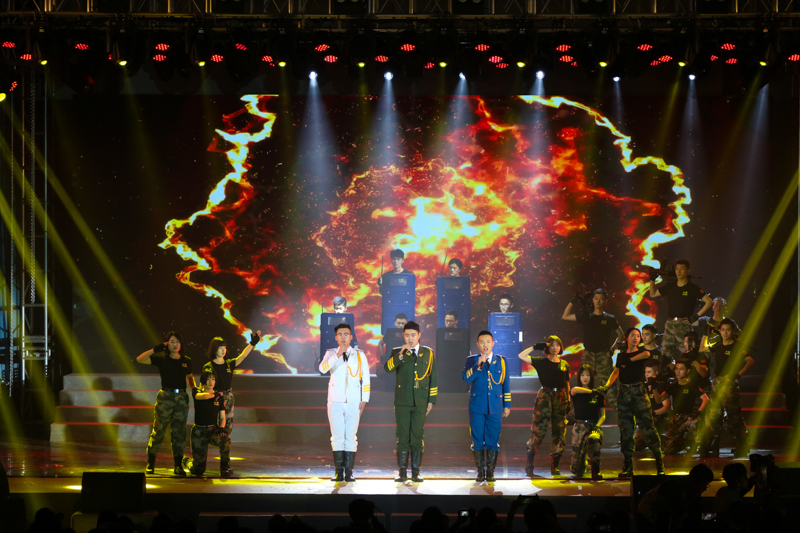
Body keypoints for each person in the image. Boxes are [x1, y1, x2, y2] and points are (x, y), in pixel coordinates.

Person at [599, 327, 664, 477]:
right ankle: (628, 466)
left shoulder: (642, 352)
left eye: (638, 336)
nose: (636, 338)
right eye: (633, 335)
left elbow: (647, 354)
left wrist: (629, 361)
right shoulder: (621, 356)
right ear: (627, 337)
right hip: (624, 393)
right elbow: (616, 372)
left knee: (648, 428)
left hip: (638, 392)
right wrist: (607, 386)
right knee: (626, 430)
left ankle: (659, 463)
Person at [383, 321, 438, 482]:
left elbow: (433, 377)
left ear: (419, 335)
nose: (410, 338)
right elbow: (387, 369)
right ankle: (402, 472)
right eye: (407, 335)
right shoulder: (397, 352)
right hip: (403, 401)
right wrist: (401, 354)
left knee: (417, 437)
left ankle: (415, 472)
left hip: (420, 401)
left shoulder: (428, 353)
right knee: (402, 437)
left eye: (413, 335)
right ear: (403, 336)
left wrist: (431, 400)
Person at [201, 330, 260, 477]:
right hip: (214, 399)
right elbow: (204, 385)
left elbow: (243, 356)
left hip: (227, 399)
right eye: (220, 347)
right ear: (214, 349)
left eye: (224, 347)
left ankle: (224, 465)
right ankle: (199, 463)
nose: (223, 350)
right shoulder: (208, 366)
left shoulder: (229, 364)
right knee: (209, 430)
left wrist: (252, 343)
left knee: (226, 433)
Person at [318, 323, 371, 482]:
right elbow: (322, 369)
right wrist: (337, 355)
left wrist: (364, 399)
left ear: (351, 337)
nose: (343, 337)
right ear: (336, 337)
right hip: (335, 400)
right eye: (340, 334)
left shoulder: (359, 355)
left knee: (351, 436)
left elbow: (366, 378)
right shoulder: (330, 353)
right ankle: (338, 472)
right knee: (337, 436)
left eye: (346, 334)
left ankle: (349, 472)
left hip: (353, 400)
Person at [136, 332, 194, 476]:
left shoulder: (186, 360)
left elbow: (190, 377)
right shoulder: (162, 359)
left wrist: (194, 389)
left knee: (179, 432)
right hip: (165, 397)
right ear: (167, 344)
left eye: (178, 341)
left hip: (181, 397)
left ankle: (178, 465)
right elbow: (140, 359)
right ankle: (151, 463)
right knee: (159, 431)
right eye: (172, 341)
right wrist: (156, 349)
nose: (175, 344)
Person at [700, 319, 755, 457]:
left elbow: (750, 361)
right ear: (720, 331)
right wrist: (705, 334)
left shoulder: (737, 346)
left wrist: (737, 375)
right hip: (716, 382)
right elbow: (702, 349)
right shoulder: (718, 345)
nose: (725, 333)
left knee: (734, 415)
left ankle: (743, 444)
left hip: (728, 383)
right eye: (723, 330)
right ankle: (715, 442)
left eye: (728, 330)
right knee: (715, 414)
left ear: (733, 331)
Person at [562, 289, 624, 409]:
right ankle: (581, 412)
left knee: (610, 386)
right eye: (596, 298)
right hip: (588, 355)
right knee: (584, 385)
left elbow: (620, 334)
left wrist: (612, 349)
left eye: (601, 299)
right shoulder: (587, 316)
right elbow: (565, 316)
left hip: (603, 355)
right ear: (593, 300)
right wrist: (572, 302)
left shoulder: (610, 318)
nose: (598, 301)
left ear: (605, 301)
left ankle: (620, 412)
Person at [462, 330, 511, 482]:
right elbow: (466, 378)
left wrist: (507, 405)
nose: (485, 345)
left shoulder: (501, 361)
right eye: (482, 342)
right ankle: (480, 472)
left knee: (493, 439)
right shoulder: (472, 360)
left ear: (493, 343)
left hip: (495, 406)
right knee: (477, 439)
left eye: (488, 342)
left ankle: (490, 472)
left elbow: (506, 384)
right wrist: (478, 366)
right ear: (478, 344)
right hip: (477, 406)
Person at [518, 336, 571, 477]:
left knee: (559, 432)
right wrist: (535, 347)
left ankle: (555, 465)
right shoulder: (541, 362)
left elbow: (567, 384)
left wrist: (568, 401)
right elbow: (521, 356)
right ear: (547, 347)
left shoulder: (564, 364)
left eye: (557, 345)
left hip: (560, 398)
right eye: (552, 345)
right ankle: (530, 462)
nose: (555, 348)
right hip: (545, 397)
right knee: (538, 431)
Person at [648, 259, 713, 363]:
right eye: (677, 269)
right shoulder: (670, 286)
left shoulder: (692, 288)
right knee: (665, 356)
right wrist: (652, 280)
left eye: (681, 269)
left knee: (688, 354)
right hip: (670, 324)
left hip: (684, 324)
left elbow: (709, 302)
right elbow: (653, 294)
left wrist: (696, 316)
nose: (678, 271)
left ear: (688, 271)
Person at [636, 463, 714, 533]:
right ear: (694, 481)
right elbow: (679, 512)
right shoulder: (673, 486)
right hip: (647, 515)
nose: (705, 489)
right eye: (704, 485)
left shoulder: (693, 491)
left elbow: (694, 512)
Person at [182, 371, 230, 476]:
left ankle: (224, 467)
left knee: (225, 438)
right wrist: (214, 395)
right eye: (208, 379)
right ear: (203, 381)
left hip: (213, 430)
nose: (211, 382)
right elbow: (202, 397)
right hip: (199, 431)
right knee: (198, 471)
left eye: (213, 379)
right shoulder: (197, 392)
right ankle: (187, 461)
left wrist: (221, 428)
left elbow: (222, 417)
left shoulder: (219, 397)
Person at [662, 359, 710, 454]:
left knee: (697, 424)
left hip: (689, 418)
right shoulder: (673, 386)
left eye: (681, 369)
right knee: (667, 450)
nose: (678, 372)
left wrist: (697, 413)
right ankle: (686, 443)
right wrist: (654, 387)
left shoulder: (692, 385)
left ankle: (703, 444)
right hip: (676, 418)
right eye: (676, 369)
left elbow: (706, 399)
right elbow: (659, 399)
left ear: (687, 371)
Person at [569, 364, 605, 480]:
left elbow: (603, 415)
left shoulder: (598, 395)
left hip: (593, 426)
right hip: (579, 426)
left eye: (588, 375)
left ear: (591, 377)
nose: (585, 377)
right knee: (577, 471)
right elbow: (574, 390)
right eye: (582, 375)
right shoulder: (577, 392)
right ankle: (581, 464)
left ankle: (595, 470)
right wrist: (591, 392)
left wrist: (597, 427)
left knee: (595, 443)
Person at [634, 360, 670, 451]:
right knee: (634, 445)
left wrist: (653, 413)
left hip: (660, 419)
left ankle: (663, 440)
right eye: (646, 372)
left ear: (656, 373)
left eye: (649, 372)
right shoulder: (644, 387)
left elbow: (667, 408)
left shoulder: (660, 387)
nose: (647, 375)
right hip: (647, 420)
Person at [713, 463, 755, 529]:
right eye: (744, 477)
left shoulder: (723, 491)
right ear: (737, 481)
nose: (747, 479)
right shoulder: (736, 504)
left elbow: (740, 493)